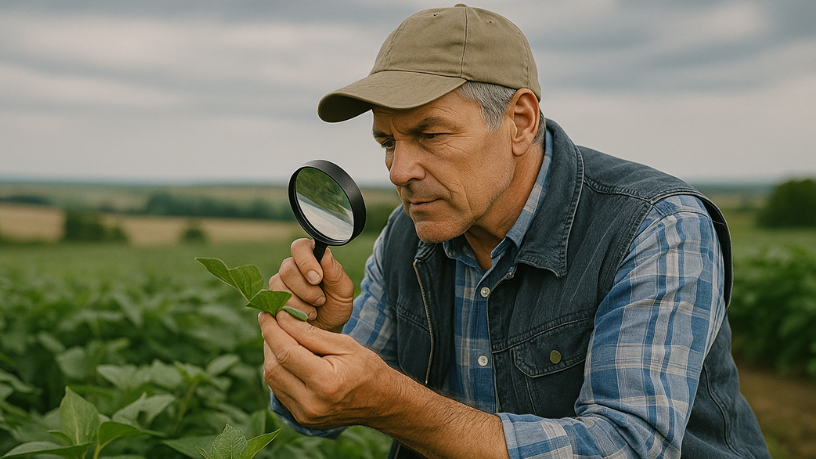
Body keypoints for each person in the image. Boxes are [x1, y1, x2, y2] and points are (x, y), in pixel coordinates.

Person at [258, 5, 771, 459]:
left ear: (520, 122)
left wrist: (399, 406)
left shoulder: (655, 227)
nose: (398, 170)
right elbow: (309, 416)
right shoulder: (405, 237)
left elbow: (630, 446)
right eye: (387, 141)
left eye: (429, 135)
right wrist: (317, 337)